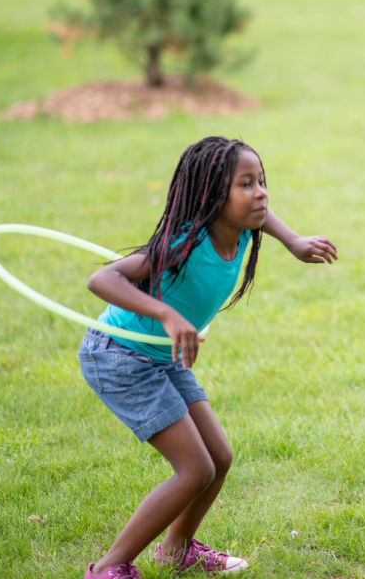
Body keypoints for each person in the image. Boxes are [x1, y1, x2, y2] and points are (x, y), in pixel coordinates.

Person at [80, 137, 337, 578]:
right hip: (120, 356)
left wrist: (293, 240)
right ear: (214, 198)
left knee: (218, 458)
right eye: (245, 184)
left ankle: (175, 550)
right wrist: (168, 314)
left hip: (160, 357)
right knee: (194, 469)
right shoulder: (183, 245)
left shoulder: (238, 229)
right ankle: (108, 567)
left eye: (262, 181)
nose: (260, 193)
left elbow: (263, 217)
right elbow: (102, 278)